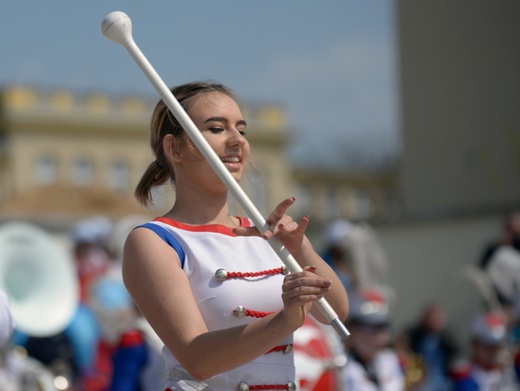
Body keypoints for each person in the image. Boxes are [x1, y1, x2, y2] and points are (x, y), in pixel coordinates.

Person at [121, 81, 349, 390]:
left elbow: (337, 313)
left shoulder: (267, 234)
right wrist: (285, 319)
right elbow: (198, 360)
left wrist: (301, 249)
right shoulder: (156, 241)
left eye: (241, 130)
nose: (236, 141)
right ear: (174, 148)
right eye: (217, 129)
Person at [341, 289, 405, 391]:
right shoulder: (341, 367)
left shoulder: (391, 360)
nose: (381, 338)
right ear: (353, 330)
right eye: (373, 329)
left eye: (384, 329)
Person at [452, 311, 519, 390]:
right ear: (475, 345)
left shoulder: (514, 369)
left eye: (498, 346)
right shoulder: (464, 379)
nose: (495, 351)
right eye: (488, 346)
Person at [406, 302, 459, 391]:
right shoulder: (414, 336)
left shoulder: (446, 338)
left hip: (442, 380)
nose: (434, 321)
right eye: (431, 318)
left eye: (437, 318)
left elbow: (455, 352)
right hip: (420, 379)